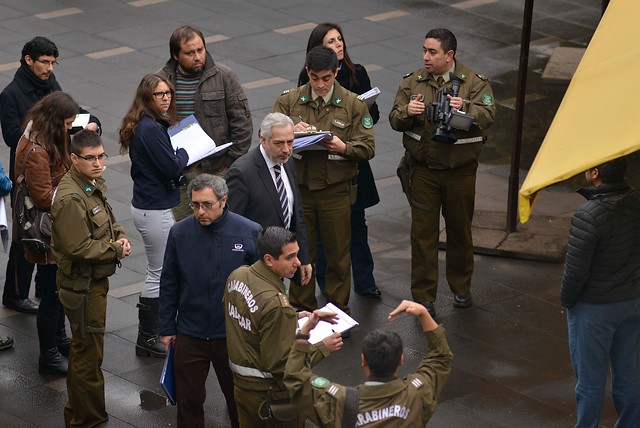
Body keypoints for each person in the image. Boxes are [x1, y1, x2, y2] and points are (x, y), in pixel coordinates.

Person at [389, 28, 495, 318]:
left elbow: (489, 116)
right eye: (424, 50)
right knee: (423, 235)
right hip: (423, 172)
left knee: (460, 232)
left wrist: (466, 108)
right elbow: (393, 119)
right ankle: (424, 296)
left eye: (432, 52)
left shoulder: (474, 83)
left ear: (449, 55)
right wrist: (407, 112)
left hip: (460, 172)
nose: (425, 56)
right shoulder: (413, 82)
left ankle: (461, 288)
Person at [1, 36, 100, 315]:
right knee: (26, 237)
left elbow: (68, 112)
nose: (50, 68)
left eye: (53, 62)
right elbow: (11, 136)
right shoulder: (11, 94)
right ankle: (15, 293)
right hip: (30, 171)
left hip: (55, 162)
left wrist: (89, 121)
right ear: (28, 60)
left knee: (46, 236)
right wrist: (41, 127)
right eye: (44, 62)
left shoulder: (50, 84)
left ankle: (41, 289)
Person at [272, 46, 375, 313]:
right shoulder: (289, 101)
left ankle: (338, 310)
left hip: (335, 192)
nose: (319, 84)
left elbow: (367, 147)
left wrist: (344, 148)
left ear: (336, 72)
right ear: (307, 72)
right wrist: (289, 134)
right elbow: (269, 142)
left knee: (338, 256)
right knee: (299, 254)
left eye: (326, 78)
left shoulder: (353, 103)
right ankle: (301, 308)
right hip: (300, 192)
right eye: (314, 77)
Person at [158, 173, 261, 428]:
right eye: (195, 205)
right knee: (188, 401)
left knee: (238, 401)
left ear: (223, 201)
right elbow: (169, 281)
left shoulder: (249, 232)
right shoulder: (179, 233)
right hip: (190, 333)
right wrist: (167, 327)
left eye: (207, 205)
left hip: (232, 335)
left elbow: (263, 285)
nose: (200, 211)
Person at [223, 226, 342, 428]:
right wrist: (323, 347)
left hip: (242, 389)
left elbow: (248, 316)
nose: (297, 262)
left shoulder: (237, 275)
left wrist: (291, 318)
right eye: (290, 257)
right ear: (269, 259)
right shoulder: (276, 304)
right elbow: (283, 364)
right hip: (269, 394)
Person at [51, 129, 131, 427]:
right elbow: (79, 247)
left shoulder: (88, 183)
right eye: (91, 158)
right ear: (74, 158)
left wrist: (119, 237)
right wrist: (115, 250)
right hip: (82, 287)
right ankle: (89, 419)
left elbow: (107, 219)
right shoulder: (72, 197)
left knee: (86, 351)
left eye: (101, 157)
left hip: (92, 283)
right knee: (87, 356)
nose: (98, 164)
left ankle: (80, 413)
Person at [298, 23, 381, 299]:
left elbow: (372, 124)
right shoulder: (304, 82)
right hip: (317, 168)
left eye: (339, 39)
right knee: (321, 239)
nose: (338, 44)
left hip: (349, 168)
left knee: (357, 227)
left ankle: (365, 284)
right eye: (330, 41)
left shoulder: (357, 75)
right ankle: (322, 287)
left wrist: (354, 116)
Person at [560, 157, 640, 427]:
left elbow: (576, 272)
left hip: (595, 309)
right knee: (628, 373)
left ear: (595, 174)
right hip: (632, 302)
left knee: (590, 381)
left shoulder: (588, 215)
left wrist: (567, 302)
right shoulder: (636, 202)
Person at [285, 300, 453, 427]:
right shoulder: (418, 394)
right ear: (401, 359)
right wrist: (423, 313)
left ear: (363, 360)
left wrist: (305, 331)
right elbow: (440, 357)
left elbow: (296, 379)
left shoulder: (341, 402)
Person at [119, 74, 189, 358]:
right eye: (159, 94)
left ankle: (152, 334)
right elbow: (171, 168)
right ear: (147, 97)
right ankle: (147, 338)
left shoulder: (147, 124)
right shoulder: (150, 129)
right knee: (157, 273)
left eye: (168, 93)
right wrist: (184, 153)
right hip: (154, 209)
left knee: (159, 270)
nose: (165, 98)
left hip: (149, 205)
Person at [14, 92, 80, 375]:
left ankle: (59, 340)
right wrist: (75, 189)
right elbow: (42, 197)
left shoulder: (43, 136)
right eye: (67, 124)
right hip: (47, 232)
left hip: (55, 228)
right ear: (55, 121)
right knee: (52, 295)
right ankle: (49, 355)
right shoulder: (37, 150)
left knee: (57, 290)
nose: (69, 129)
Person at [157, 25, 252, 221]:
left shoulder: (224, 77)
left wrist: (229, 165)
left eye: (200, 50)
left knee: (220, 226)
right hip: (181, 172)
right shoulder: (161, 81)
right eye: (189, 53)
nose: (198, 56)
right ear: (175, 55)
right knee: (186, 231)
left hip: (217, 169)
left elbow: (242, 123)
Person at [226, 112, 312, 287]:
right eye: (279, 143)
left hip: (282, 261)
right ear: (263, 140)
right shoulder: (242, 173)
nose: (287, 149)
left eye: (290, 142)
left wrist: (302, 257)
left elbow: (296, 212)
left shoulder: (287, 161)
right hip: (256, 267)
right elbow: (232, 227)